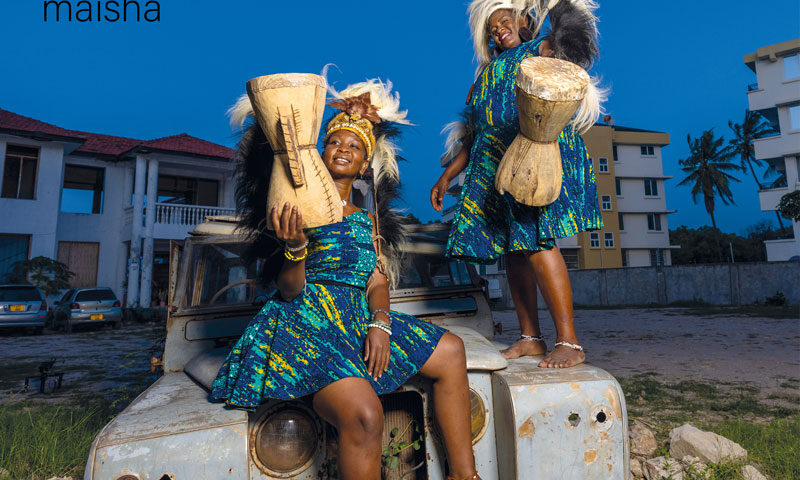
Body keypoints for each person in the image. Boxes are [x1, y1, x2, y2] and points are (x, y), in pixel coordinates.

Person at [212, 78, 481, 480]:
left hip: (355, 318)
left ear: (364, 165)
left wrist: (381, 323)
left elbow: (376, 282)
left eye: (353, 146)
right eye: (335, 142)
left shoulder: (365, 220)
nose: (342, 149)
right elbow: (289, 289)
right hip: (307, 324)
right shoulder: (292, 204)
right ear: (321, 151)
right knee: (365, 413)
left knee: (452, 350)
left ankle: (465, 476)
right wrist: (296, 247)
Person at [430, 0, 605, 368]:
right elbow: (473, 134)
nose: (498, 30)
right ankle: (531, 338)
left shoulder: (536, 50)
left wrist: (563, 22)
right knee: (513, 250)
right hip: (496, 166)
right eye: (492, 28)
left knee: (539, 242)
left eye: (504, 21)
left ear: (522, 18)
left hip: (533, 156)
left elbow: (569, 58)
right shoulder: (485, 74)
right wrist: (447, 175)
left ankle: (569, 342)